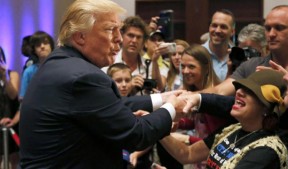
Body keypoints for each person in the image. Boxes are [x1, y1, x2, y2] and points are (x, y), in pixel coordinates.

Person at [19, 0, 186, 168]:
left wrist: (162, 98)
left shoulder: (59, 61)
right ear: (80, 36)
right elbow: (136, 135)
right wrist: (171, 108)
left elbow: (108, 105)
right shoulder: (84, 76)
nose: (119, 38)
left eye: (119, 30)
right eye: (110, 29)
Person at [161, 70, 288, 169]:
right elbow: (187, 154)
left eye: (250, 91)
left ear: (266, 108)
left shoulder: (266, 151)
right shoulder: (232, 129)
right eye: (241, 87)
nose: (239, 92)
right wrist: (157, 126)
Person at [202, 5, 288, 96]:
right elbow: (219, 91)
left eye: (279, 28)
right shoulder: (251, 66)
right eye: (267, 28)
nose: (271, 34)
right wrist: (190, 96)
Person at [101, 16, 149, 95]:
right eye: (130, 35)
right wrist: (129, 86)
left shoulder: (148, 65)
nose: (134, 40)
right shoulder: (108, 63)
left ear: (143, 42)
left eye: (138, 37)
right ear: (121, 36)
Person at [19, 31, 55, 100]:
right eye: (38, 45)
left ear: (51, 46)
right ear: (34, 50)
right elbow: (23, 99)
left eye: (45, 43)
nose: (42, 46)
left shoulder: (60, 68)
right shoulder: (29, 72)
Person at [0, 47, 20, 169]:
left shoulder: (12, 74)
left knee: (13, 158)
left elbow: (13, 94)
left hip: (12, 120)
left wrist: (4, 76)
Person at [202, 9, 236, 81]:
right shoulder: (196, 55)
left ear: (232, 32)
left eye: (223, 27)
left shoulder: (238, 57)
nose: (217, 31)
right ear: (209, 27)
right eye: (214, 25)